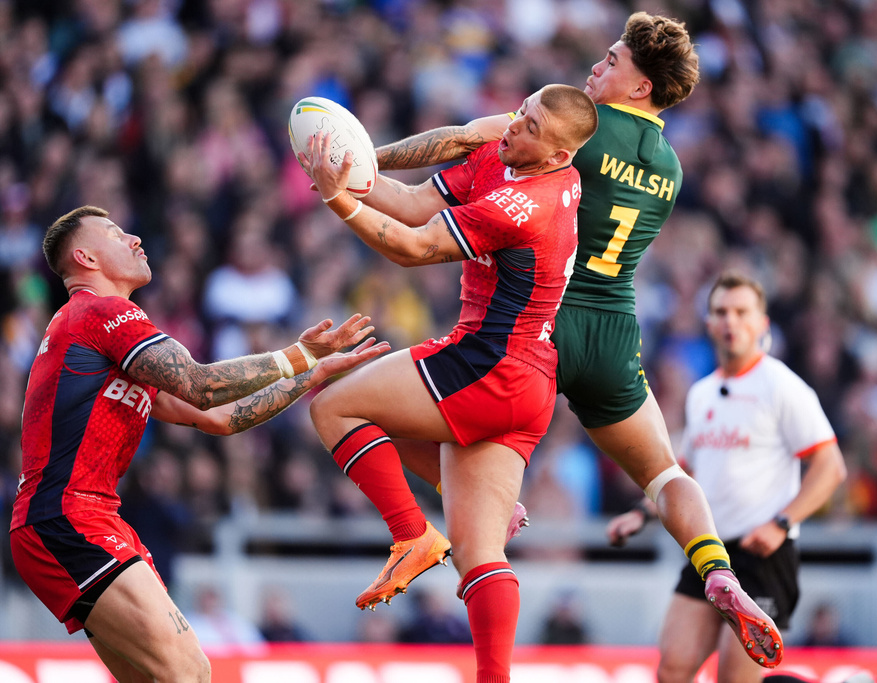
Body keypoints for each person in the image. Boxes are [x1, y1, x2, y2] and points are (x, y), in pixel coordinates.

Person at [370, 11, 783, 669]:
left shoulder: (572, 128)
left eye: (613, 60)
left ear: (641, 85)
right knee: (664, 471)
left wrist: (364, 157)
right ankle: (717, 568)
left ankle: (482, 510)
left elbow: (463, 141)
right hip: (613, 335)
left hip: (535, 324)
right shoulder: (671, 169)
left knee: (402, 408)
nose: (597, 66)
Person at [9, 206, 390, 683]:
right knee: (190, 671)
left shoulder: (97, 335)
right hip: (69, 518)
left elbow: (220, 418)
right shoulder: (101, 312)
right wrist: (297, 355)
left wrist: (311, 374)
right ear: (85, 257)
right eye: (114, 232)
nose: (133, 238)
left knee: (162, 679)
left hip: (78, 518)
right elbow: (201, 385)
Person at [298, 84, 598, 682]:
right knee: (481, 553)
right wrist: (351, 170)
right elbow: (411, 202)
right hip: (529, 386)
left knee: (333, 407)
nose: (512, 128)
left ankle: (411, 535)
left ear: (558, 156)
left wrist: (339, 201)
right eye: (520, 113)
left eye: (531, 127)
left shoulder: (526, 204)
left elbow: (414, 246)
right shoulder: (515, 155)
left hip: (485, 364)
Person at [607, 271, 848, 683]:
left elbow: (832, 467)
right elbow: (685, 475)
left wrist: (782, 523)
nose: (730, 321)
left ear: (761, 324)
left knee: (736, 681)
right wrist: (641, 513)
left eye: (741, 312)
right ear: (708, 324)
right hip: (709, 554)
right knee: (672, 671)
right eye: (721, 312)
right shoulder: (701, 394)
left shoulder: (782, 386)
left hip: (763, 556)